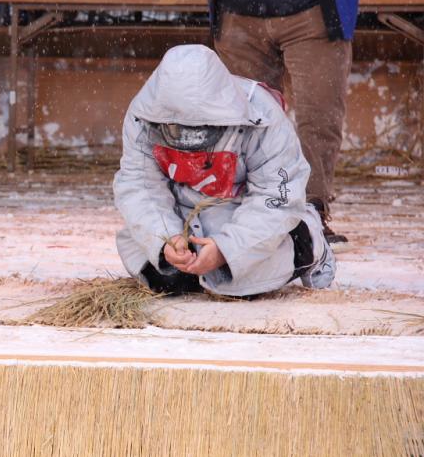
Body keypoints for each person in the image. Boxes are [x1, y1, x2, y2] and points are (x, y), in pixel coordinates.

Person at [194, 0, 375, 243]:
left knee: (319, 116)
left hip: (314, 5)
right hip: (238, 7)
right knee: (242, 122)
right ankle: (253, 216)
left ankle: (310, 214)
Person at [114, 45, 335, 297]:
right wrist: (167, 238)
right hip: (180, 211)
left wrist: (225, 250)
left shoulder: (262, 114)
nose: (189, 142)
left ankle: (307, 239)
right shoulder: (142, 115)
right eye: (178, 129)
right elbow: (139, 186)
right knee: (163, 278)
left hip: (241, 210)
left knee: (238, 284)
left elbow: (276, 195)